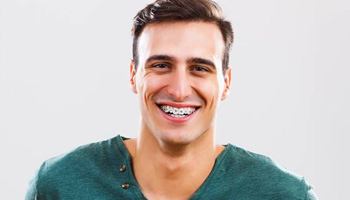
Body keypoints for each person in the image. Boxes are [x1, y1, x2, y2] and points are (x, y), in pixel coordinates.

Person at [26, 0, 318, 199]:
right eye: (161, 65)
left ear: (225, 83)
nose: (179, 90)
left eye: (199, 68)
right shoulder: (59, 184)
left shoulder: (283, 193)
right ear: (133, 75)